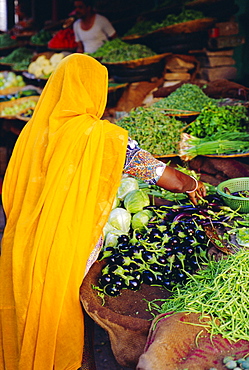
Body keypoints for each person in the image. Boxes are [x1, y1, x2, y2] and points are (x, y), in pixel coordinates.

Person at [0, 53, 205, 370]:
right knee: (64, 327)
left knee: (30, 315)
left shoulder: (31, 133)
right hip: (65, 247)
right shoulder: (103, 137)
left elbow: (11, 189)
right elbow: (165, 177)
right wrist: (191, 184)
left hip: (24, 243)